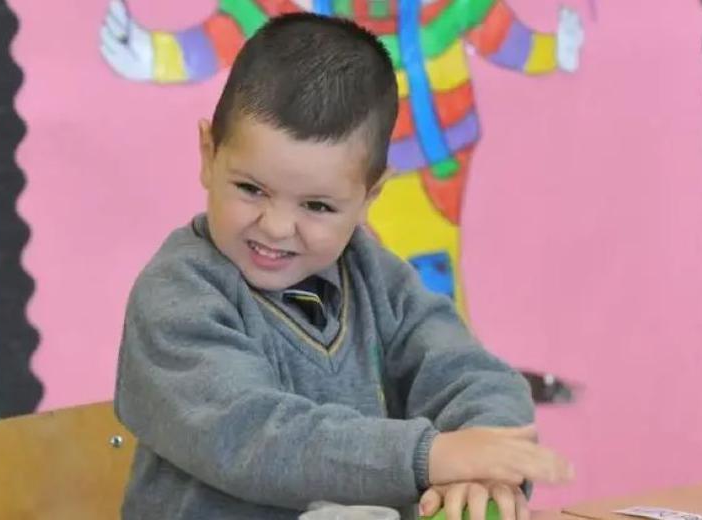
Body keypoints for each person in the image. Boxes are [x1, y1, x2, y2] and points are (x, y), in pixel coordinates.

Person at [115, 13, 572, 520]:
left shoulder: (373, 273)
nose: (276, 226)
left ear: (368, 197)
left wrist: (482, 464)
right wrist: (432, 457)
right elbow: (255, 438)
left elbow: (472, 375)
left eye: (317, 206)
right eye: (251, 189)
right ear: (208, 154)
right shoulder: (178, 296)